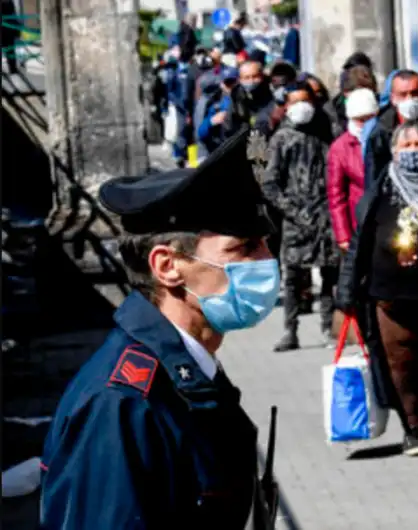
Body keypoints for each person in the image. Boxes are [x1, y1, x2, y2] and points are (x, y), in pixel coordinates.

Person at [39, 129, 280, 529]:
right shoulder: (123, 404)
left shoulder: (186, 367)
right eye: (244, 249)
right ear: (167, 266)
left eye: (266, 245)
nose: (267, 261)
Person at [337, 121, 418, 455]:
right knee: (402, 367)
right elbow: (359, 246)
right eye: (406, 146)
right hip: (391, 300)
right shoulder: (379, 191)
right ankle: (413, 429)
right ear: (394, 152)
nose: (413, 151)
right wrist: (346, 293)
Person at [261, 81, 338, 352]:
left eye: (306, 100)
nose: (302, 107)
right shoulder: (281, 138)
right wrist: (292, 210)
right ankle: (290, 331)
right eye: (295, 102)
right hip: (295, 220)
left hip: (326, 217)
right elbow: (269, 183)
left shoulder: (326, 133)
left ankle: (329, 328)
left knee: (329, 275)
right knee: (292, 277)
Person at [364, 70, 418, 188]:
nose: (410, 99)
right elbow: (374, 176)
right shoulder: (382, 131)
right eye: (403, 94)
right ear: (393, 98)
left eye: (415, 93)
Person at [327, 88, 378, 252]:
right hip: (359, 220)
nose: (365, 124)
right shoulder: (340, 147)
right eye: (359, 120)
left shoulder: (386, 138)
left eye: (368, 118)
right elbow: (336, 195)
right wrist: (343, 235)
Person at [197, 67, 239, 157]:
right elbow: (201, 132)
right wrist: (211, 121)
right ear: (222, 85)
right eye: (227, 83)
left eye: (233, 82)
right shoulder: (217, 103)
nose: (231, 87)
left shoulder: (246, 100)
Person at [223, 60, 273, 136]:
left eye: (255, 76)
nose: (251, 81)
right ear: (240, 80)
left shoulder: (271, 94)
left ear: (262, 76)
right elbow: (228, 127)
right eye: (246, 77)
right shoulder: (237, 97)